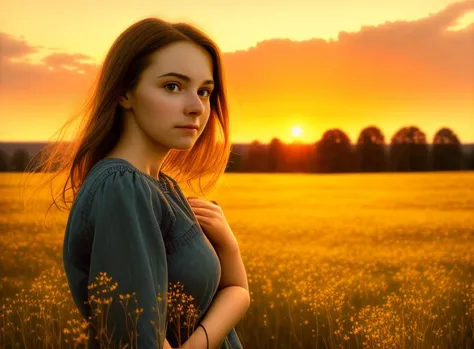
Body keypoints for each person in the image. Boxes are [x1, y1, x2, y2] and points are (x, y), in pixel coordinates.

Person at [32, 17, 250, 348]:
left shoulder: (162, 186)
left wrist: (229, 246)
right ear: (124, 93)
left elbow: (238, 294)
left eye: (204, 91)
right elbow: (138, 340)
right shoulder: (122, 186)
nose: (196, 107)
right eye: (173, 86)